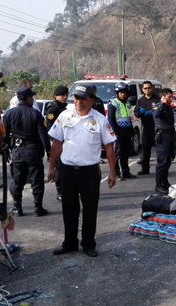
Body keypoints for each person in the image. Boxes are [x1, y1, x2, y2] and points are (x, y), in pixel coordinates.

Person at [47, 85, 117, 256]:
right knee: (68, 209)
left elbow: (109, 147)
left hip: (90, 173)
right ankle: (69, 243)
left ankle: (88, 244)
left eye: (84, 98)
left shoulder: (100, 119)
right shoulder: (64, 116)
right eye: (76, 98)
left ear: (92, 99)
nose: (79, 102)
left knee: (90, 210)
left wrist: (112, 172)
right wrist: (51, 167)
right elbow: (56, 144)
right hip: (68, 171)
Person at [3, 87, 50, 217]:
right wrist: (48, 151)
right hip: (33, 150)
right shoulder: (35, 114)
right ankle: (37, 207)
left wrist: (6, 150)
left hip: (17, 151)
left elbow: (4, 135)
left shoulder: (9, 114)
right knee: (36, 179)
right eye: (32, 97)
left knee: (18, 179)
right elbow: (43, 134)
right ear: (29, 98)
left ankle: (17, 207)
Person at [107, 82, 137, 181]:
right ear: (117, 93)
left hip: (127, 131)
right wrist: (115, 132)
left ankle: (126, 172)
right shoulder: (113, 103)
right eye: (121, 92)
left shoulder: (127, 103)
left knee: (125, 153)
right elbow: (111, 119)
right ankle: (116, 173)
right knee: (116, 154)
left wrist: (131, 130)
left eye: (124, 92)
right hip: (118, 132)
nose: (123, 94)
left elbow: (128, 118)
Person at [44, 85, 69, 201]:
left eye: (66, 95)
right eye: (62, 95)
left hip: (66, 142)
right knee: (59, 168)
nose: (64, 97)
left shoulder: (64, 107)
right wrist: (56, 142)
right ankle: (60, 192)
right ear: (55, 96)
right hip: (58, 143)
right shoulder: (52, 108)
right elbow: (49, 128)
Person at [153, 88, 176, 195]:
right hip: (162, 136)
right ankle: (158, 185)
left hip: (170, 136)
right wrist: (162, 104)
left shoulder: (169, 107)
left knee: (168, 160)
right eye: (169, 97)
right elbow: (156, 115)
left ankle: (164, 181)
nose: (171, 99)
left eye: (172, 97)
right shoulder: (158, 106)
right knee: (162, 161)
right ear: (163, 97)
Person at [134, 80, 160, 175]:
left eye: (149, 88)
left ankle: (161, 169)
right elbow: (136, 113)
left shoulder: (157, 99)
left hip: (157, 128)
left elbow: (159, 111)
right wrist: (140, 113)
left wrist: (150, 113)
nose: (147, 90)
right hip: (146, 128)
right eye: (145, 88)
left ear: (152, 88)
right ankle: (145, 169)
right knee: (145, 150)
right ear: (142, 90)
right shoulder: (140, 101)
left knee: (160, 150)